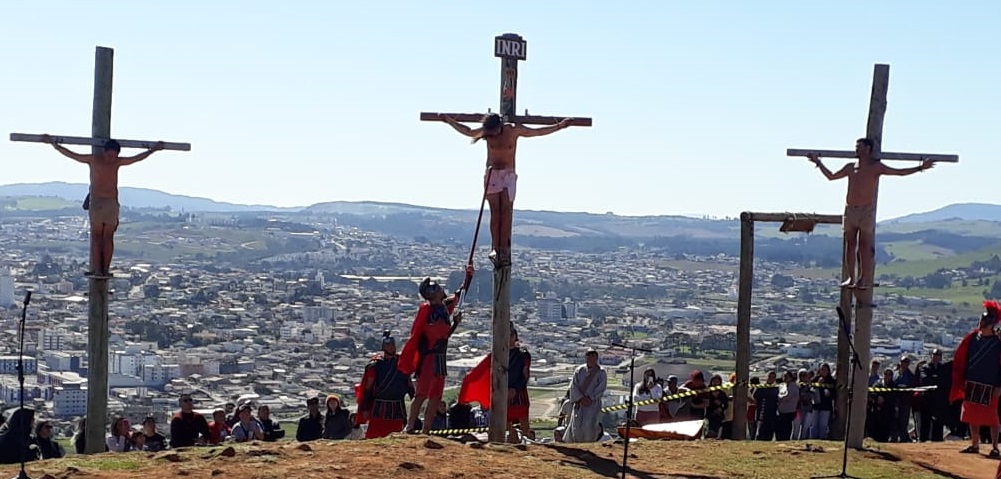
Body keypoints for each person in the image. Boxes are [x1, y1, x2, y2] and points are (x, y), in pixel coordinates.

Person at [440, 114, 573, 267]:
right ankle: (495, 247)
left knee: (506, 211)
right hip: (493, 174)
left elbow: (536, 132)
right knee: (495, 212)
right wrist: (449, 121)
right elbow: (468, 131)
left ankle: (503, 247)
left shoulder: (512, 131)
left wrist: (559, 126)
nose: (495, 134)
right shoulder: (486, 132)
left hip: (508, 174)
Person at [806, 138, 934, 288]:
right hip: (850, 210)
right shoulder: (850, 167)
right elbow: (831, 176)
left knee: (864, 246)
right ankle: (851, 278)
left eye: (859, 147)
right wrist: (818, 163)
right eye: (856, 147)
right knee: (849, 245)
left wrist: (920, 168)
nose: (856, 150)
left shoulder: (876, 167)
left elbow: (899, 172)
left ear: (868, 149)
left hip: (866, 211)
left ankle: (863, 278)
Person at [42, 135, 165, 277]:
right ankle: (98, 269)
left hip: (110, 203)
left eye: (114, 156)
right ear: (104, 152)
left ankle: (104, 269)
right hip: (98, 203)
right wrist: (54, 144)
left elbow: (136, 158)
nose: (111, 159)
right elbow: (72, 155)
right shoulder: (94, 159)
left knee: (107, 237)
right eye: (109, 155)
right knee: (96, 237)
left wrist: (153, 150)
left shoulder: (116, 162)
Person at [399, 269, 473, 434]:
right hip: (430, 358)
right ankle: (410, 426)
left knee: (435, 397)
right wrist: (455, 324)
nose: (441, 289)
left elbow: (460, 294)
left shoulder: (442, 307)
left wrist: (469, 277)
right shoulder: (433, 313)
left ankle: (426, 429)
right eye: (438, 288)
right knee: (422, 394)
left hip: (439, 359)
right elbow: (441, 336)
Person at [951, 300, 1001, 458]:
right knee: (972, 415)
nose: (981, 323)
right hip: (972, 382)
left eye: (983, 321)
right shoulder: (972, 339)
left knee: (992, 417)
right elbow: (963, 358)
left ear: (989, 323)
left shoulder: (998, 343)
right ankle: (974, 445)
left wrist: (999, 385)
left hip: (990, 385)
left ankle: (995, 447)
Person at [356, 330, 414, 439]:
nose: (391, 347)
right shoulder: (375, 365)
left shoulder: (402, 362)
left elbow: (409, 383)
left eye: (392, 344)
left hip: (397, 407)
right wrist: (365, 409)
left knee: (396, 437)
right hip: (379, 408)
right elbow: (368, 388)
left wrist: (415, 403)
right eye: (388, 345)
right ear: (383, 347)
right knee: (374, 436)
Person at [562, 349, 607, 443]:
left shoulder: (601, 372)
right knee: (576, 424)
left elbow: (601, 388)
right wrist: (580, 398)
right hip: (579, 403)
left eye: (593, 357)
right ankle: (576, 443)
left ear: (596, 358)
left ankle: (589, 443)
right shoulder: (579, 370)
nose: (591, 360)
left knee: (589, 425)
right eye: (589, 357)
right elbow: (573, 385)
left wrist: (591, 398)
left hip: (592, 404)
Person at [506, 326, 533, 442]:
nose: (508, 338)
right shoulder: (500, 353)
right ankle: (512, 442)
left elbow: (525, 375)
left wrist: (515, 389)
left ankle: (527, 441)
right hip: (504, 391)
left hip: (519, 391)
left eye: (511, 335)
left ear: (515, 337)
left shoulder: (523, 354)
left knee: (523, 421)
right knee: (506, 421)